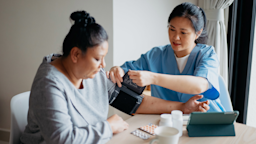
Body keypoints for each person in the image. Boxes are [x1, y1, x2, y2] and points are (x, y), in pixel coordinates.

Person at [20, 10, 209, 144]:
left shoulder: (91, 73)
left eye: (104, 58)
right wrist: (107, 127)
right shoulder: (49, 85)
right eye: (97, 59)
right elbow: (62, 139)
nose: (103, 66)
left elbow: (132, 102)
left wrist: (182, 107)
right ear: (76, 55)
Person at [107, 2, 225, 112]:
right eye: (172, 29)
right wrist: (118, 70)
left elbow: (200, 85)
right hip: (168, 119)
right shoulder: (156, 54)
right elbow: (129, 70)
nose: (175, 37)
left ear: (198, 33)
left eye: (183, 33)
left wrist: (153, 78)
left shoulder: (207, 54)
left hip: (206, 118)